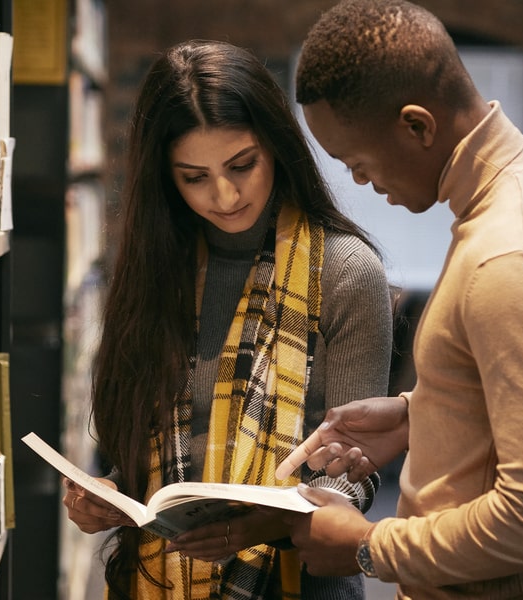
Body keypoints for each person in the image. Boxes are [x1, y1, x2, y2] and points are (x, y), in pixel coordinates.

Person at [273, 1, 523, 597]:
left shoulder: (508, 258)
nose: (358, 181)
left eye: (357, 161)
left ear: (417, 126)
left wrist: (369, 546)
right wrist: (426, 414)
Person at [62, 40, 393, 599]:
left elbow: (355, 470)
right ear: (165, 177)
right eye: (194, 177)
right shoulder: (155, 270)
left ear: (276, 147)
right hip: (152, 578)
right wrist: (108, 493)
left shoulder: (344, 272)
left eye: (243, 165)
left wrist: (266, 525)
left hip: (296, 585)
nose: (225, 194)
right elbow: (146, 450)